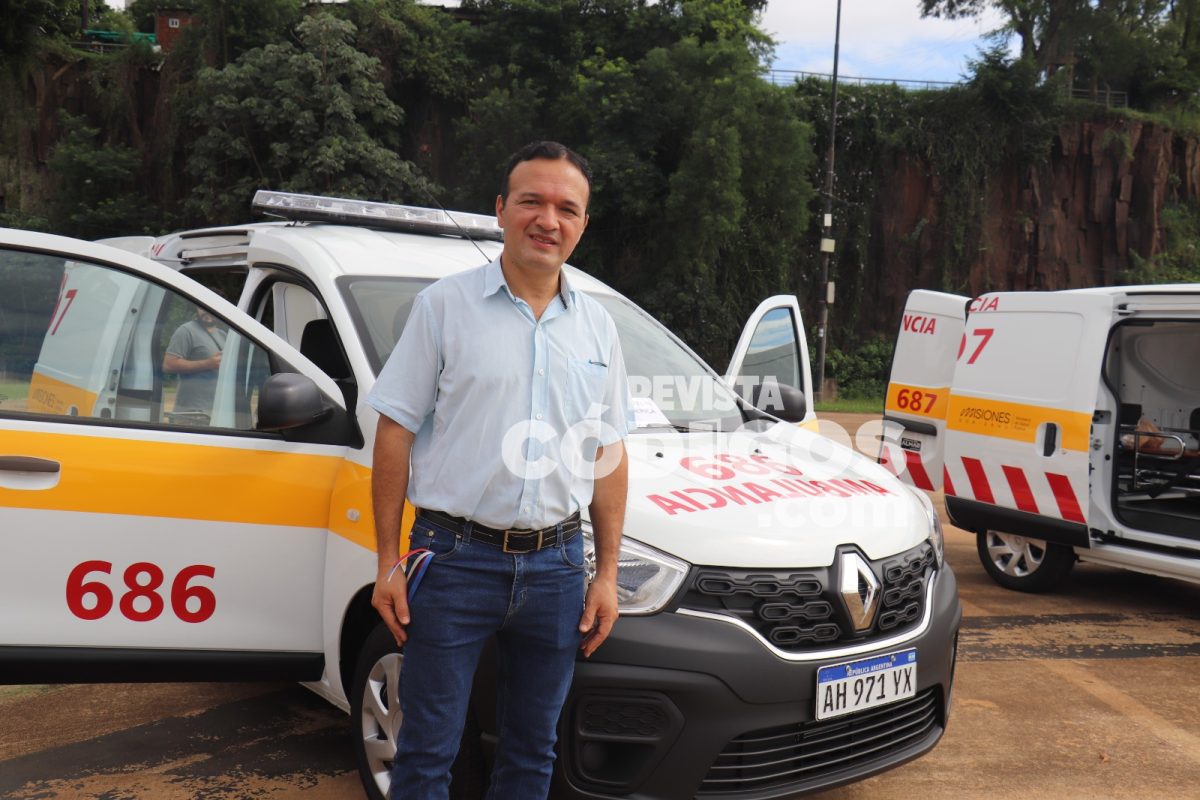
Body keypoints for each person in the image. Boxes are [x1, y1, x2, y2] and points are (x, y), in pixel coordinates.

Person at [367, 141, 631, 800]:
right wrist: (387, 561)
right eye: (531, 202)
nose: (548, 220)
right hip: (452, 560)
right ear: (500, 210)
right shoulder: (443, 308)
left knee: (532, 752)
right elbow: (394, 432)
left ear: (583, 224)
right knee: (427, 751)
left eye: (566, 208)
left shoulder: (599, 328)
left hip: (559, 570)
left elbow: (607, 452)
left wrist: (606, 574)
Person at [162, 306, 226, 420]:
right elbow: (168, 364)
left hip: (216, 412)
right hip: (191, 414)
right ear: (197, 308)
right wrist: (208, 364)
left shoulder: (223, 335)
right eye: (203, 306)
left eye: (211, 307)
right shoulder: (186, 330)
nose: (207, 311)